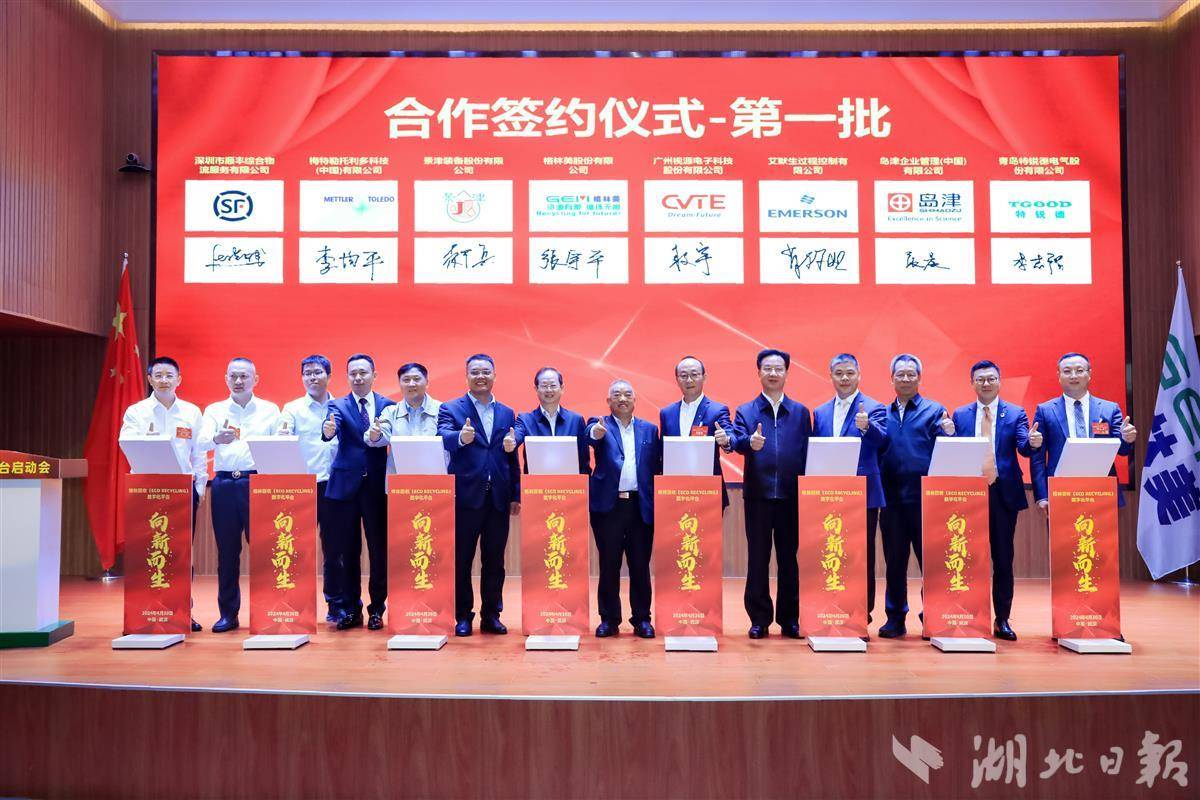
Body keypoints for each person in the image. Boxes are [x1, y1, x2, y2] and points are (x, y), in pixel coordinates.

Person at [119, 355, 207, 632]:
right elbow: (126, 442)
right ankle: (144, 613)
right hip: (146, 490)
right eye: (158, 375)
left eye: (169, 375)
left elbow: (199, 452)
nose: (164, 380)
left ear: (179, 379)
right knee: (147, 552)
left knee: (180, 555)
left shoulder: (191, 412)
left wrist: (200, 486)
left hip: (182, 489)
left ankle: (182, 613)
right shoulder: (136, 412)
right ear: (150, 379)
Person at [951, 360, 1036, 641]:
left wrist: (1032, 442)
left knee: (1002, 558)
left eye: (991, 378)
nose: (986, 383)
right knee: (967, 558)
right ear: (972, 383)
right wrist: (947, 434)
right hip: (968, 495)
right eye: (980, 379)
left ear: (999, 381)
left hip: (1002, 493)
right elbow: (954, 450)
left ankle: (1002, 619)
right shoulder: (960, 415)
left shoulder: (1015, 413)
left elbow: (1024, 447)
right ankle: (968, 616)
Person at [437, 354, 521, 636]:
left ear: (494, 375)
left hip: (498, 498)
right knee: (461, 559)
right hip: (465, 497)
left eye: (486, 372)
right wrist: (461, 438)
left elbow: (511, 456)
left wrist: (515, 494)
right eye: (475, 372)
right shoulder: (451, 408)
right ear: (467, 376)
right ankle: (462, 616)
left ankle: (491, 615)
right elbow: (442, 436)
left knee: (495, 560)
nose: (480, 376)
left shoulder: (507, 412)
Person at [732, 348, 812, 639]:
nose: (773, 373)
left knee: (789, 559)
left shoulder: (801, 412)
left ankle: (790, 619)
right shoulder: (746, 410)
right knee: (758, 558)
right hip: (758, 496)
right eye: (768, 368)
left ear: (787, 373)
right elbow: (736, 440)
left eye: (779, 369)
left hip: (792, 497)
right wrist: (748, 442)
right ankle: (759, 619)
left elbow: (808, 451)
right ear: (759, 373)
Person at [199, 357, 280, 632]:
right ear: (226, 379)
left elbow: (279, 445)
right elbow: (199, 443)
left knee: (264, 551)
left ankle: (267, 611)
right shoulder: (214, 410)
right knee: (227, 552)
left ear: (255, 379)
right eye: (233, 376)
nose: (238, 381)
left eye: (244, 376)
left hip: (256, 482)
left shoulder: (270, 410)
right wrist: (215, 439)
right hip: (223, 484)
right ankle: (228, 614)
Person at [877, 353, 955, 639]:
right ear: (892, 379)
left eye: (911, 374)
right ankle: (895, 618)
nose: (906, 379)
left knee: (932, 564)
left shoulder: (935, 411)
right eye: (900, 374)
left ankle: (933, 616)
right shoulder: (880, 413)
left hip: (926, 500)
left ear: (919, 378)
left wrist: (950, 434)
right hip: (892, 501)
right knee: (894, 563)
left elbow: (948, 450)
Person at [811, 353, 889, 623]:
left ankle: (861, 615)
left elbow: (883, 442)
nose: (845, 378)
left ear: (859, 375)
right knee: (831, 552)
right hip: (828, 494)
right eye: (839, 373)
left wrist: (868, 428)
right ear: (831, 376)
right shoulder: (820, 412)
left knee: (861, 556)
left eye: (850, 373)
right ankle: (830, 607)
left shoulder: (875, 407)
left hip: (863, 493)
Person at [321, 354, 395, 631]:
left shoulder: (388, 405)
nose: (358, 377)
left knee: (379, 550)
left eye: (363, 372)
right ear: (347, 377)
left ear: (374, 375)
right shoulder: (337, 405)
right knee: (347, 551)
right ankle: (351, 609)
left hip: (377, 487)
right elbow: (332, 426)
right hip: (345, 488)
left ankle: (377, 609)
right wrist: (328, 431)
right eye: (353, 373)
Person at [586, 379, 661, 638]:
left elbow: (657, 465)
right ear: (608, 401)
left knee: (640, 564)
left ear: (634, 399)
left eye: (627, 394)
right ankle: (609, 619)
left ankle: (642, 619)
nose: (622, 398)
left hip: (640, 506)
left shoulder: (650, 430)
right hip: (609, 507)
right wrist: (595, 433)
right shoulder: (599, 425)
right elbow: (590, 435)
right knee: (609, 564)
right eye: (616, 395)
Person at [1030, 352, 1137, 511]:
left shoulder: (1109, 409)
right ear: (1059, 376)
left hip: (1101, 491)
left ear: (1089, 374)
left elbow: (1122, 450)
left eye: (1079, 370)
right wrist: (1042, 496)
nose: (1073, 376)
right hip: (1060, 491)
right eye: (1067, 371)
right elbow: (1037, 458)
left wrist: (1127, 438)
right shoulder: (1045, 411)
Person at [278, 355, 340, 624]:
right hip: (302, 487)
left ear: (329, 375)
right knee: (296, 550)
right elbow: (282, 441)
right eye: (307, 373)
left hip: (334, 487)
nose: (312, 377)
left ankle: (335, 604)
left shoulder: (340, 407)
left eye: (317, 372)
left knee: (334, 550)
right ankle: (296, 605)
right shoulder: (292, 409)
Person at [660, 356, 732, 508]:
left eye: (694, 374)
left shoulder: (717, 410)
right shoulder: (667, 413)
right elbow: (663, 451)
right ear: (677, 379)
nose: (689, 380)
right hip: (674, 492)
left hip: (708, 491)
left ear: (704, 377)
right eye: (683, 375)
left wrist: (726, 440)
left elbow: (730, 435)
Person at [514, 366, 589, 474]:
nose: (549, 390)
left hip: (570, 484)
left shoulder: (576, 420)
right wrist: (511, 441)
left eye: (553, 385)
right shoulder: (525, 419)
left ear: (562, 388)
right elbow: (516, 435)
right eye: (544, 386)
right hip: (536, 483)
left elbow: (584, 462)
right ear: (536, 389)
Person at [370, 362, 441, 439]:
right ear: (399, 384)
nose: (411, 384)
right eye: (406, 380)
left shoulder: (442, 410)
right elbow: (381, 433)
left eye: (416, 379)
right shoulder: (390, 412)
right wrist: (376, 435)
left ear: (427, 382)